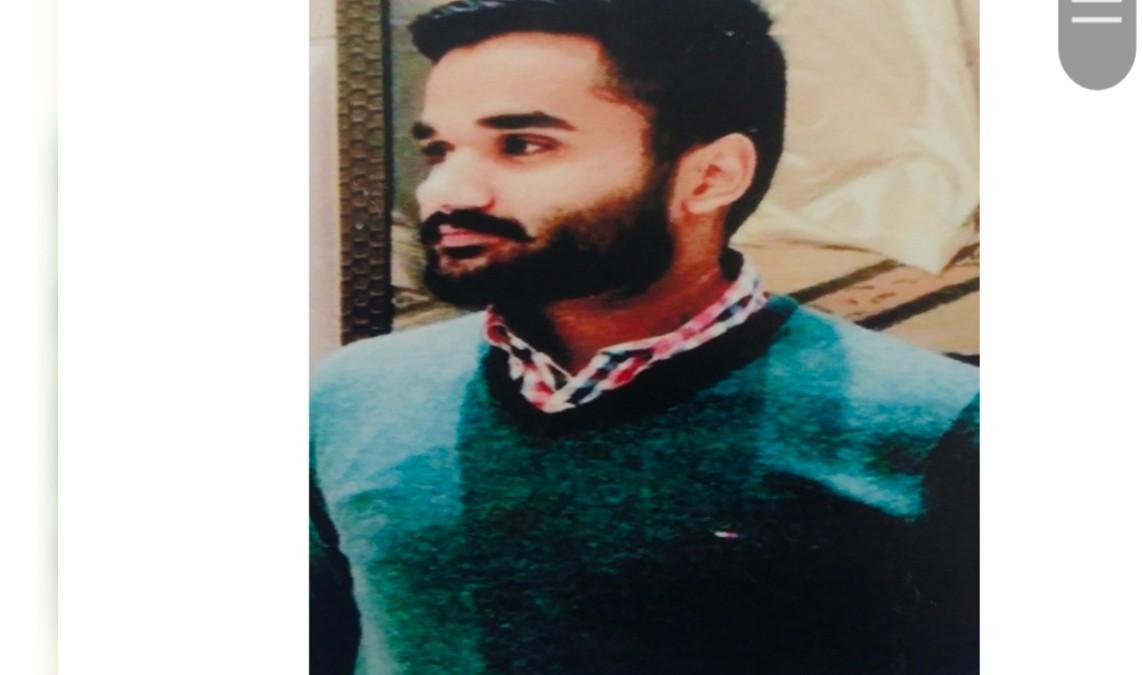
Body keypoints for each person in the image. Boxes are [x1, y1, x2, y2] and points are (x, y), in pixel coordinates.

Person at [310, 1, 980, 673]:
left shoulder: (937, 425)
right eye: (438, 150)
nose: (445, 191)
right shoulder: (352, 397)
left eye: (523, 145)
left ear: (710, 176)